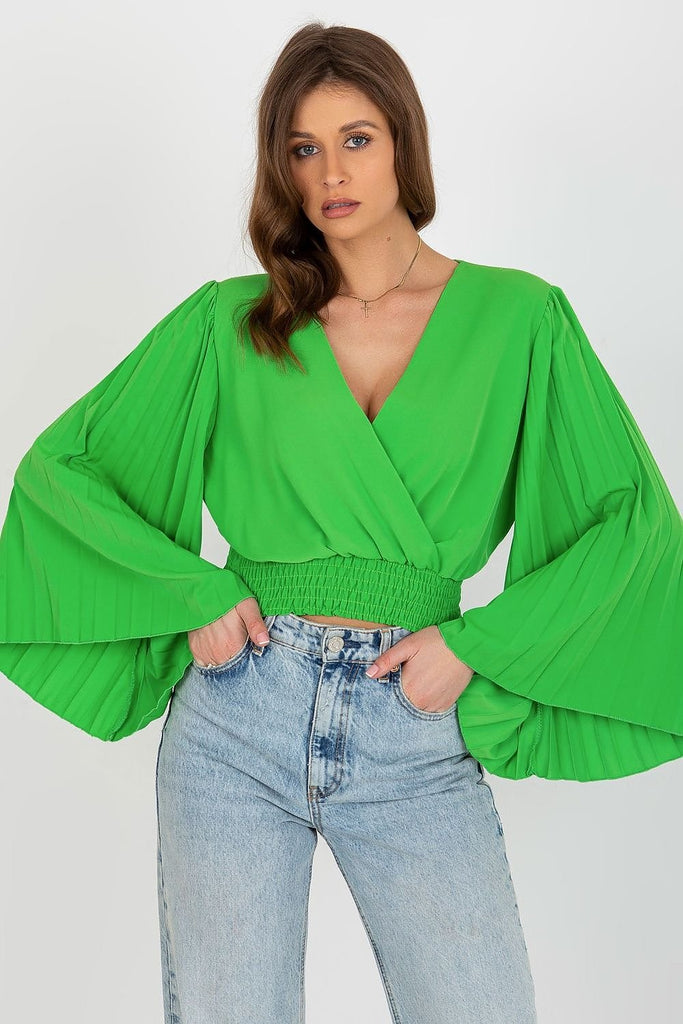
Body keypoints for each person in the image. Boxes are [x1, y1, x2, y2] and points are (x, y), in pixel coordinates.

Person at [1, 20, 681, 1024]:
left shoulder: (520, 320)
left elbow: (629, 522)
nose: (330, 172)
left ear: (403, 140)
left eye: (355, 138)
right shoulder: (229, 323)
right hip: (236, 715)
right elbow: (61, 473)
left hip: (414, 719)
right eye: (302, 147)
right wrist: (192, 591)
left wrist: (475, 644)